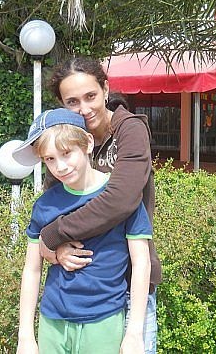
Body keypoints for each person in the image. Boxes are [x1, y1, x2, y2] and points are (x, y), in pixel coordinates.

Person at [38, 57, 162, 354]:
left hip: (130, 281)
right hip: (76, 289)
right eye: (72, 102)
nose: (84, 108)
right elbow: (53, 205)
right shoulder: (64, 142)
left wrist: (54, 234)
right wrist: (54, 249)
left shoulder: (129, 130)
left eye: (90, 96)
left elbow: (121, 199)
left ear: (105, 89)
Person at [14, 108, 152, 354]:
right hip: (52, 322)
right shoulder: (46, 204)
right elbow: (32, 268)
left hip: (104, 321)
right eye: (50, 159)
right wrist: (25, 336)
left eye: (67, 153)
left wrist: (134, 332)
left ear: (87, 143)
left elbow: (141, 263)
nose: (60, 166)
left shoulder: (123, 200)